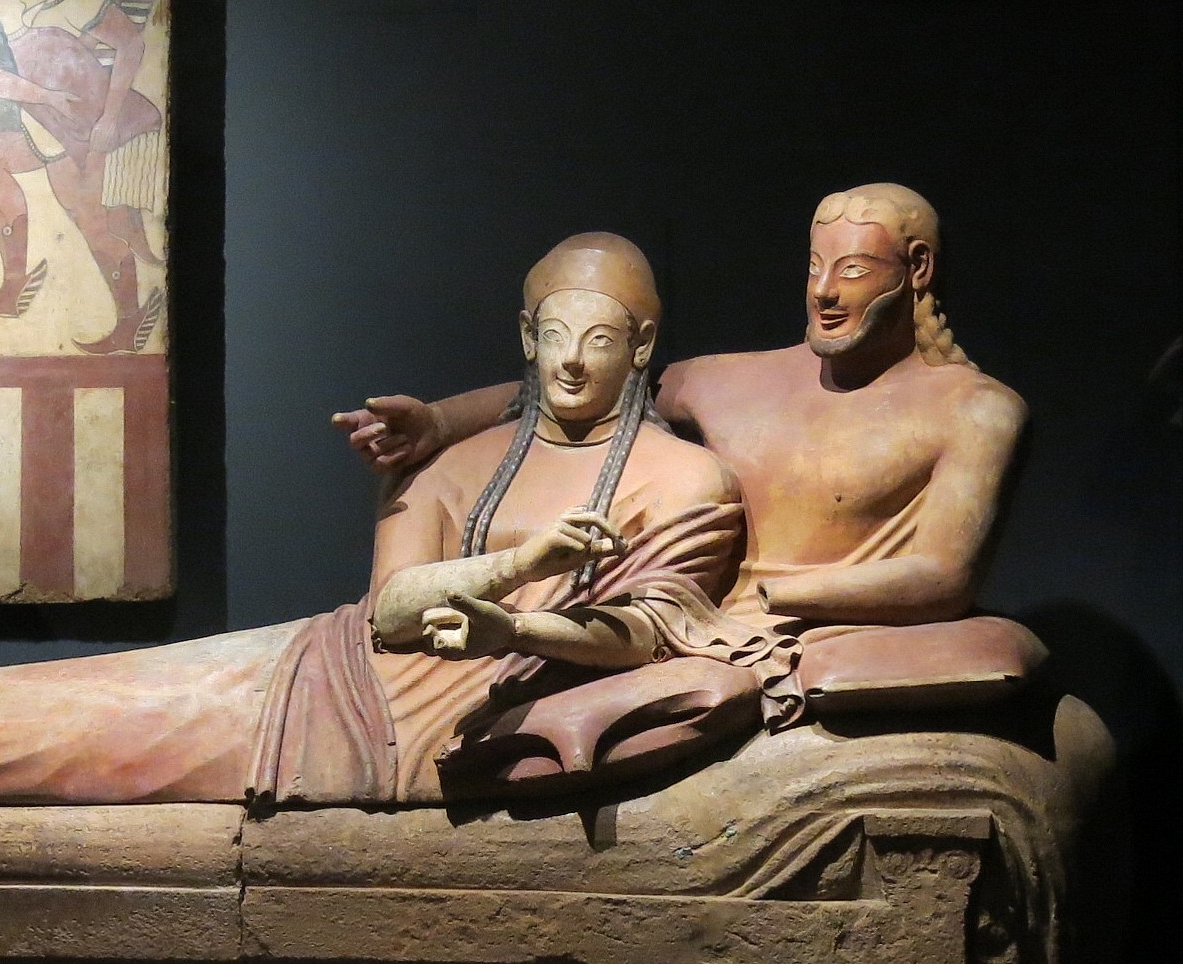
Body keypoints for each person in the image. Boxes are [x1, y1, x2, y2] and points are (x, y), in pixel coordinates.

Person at [0, 233, 796, 804]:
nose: (571, 361)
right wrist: (524, 565)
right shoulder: (464, 465)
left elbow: (647, 635)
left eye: (600, 340)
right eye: (553, 334)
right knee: (95, 694)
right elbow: (393, 614)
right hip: (329, 663)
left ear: (640, 347)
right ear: (523, 334)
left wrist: (516, 632)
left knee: (65, 740)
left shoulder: (682, 485)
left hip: (380, 742)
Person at [337, 184, 1032, 711]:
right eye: (815, 266)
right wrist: (438, 422)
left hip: (765, 626)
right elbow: (587, 385)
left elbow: (942, 578)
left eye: (851, 270)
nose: (823, 290)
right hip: (681, 620)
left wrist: (767, 596)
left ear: (916, 270)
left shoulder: (976, 411)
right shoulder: (731, 382)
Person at [0, 0, 163, 355]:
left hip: (99, 130)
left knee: (95, 224)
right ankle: (15, 283)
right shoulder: (36, 14)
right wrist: (42, 94)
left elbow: (130, 45)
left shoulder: (82, 1)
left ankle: (131, 318)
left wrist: (109, 116)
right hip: (60, 136)